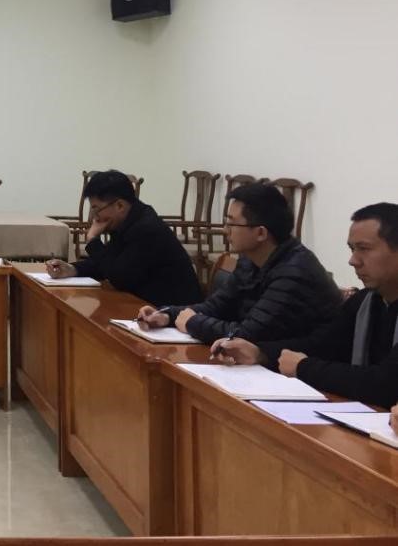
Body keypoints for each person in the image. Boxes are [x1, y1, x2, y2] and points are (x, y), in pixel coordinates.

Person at [213, 203, 398, 406]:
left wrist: (303, 367)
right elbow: (322, 344)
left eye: (364, 249)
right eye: (352, 249)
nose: (353, 260)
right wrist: (260, 353)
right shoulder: (366, 301)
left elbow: (386, 385)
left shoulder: (296, 268)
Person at [135, 183, 341, 344]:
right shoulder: (249, 260)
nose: (225, 231)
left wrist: (192, 322)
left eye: (231, 223)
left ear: (260, 233)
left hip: (302, 374)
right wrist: (167, 315)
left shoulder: (295, 271)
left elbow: (248, 335)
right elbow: (215, 307)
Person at [46, 170, 202, 305]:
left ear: (119, 205)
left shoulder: (146, 228)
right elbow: (109, 261)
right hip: (148, 305)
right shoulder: (129, 220)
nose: (95, 217)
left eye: (97, 209)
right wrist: (72, 269)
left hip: (174, 312)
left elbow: (119, 277)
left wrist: (93, 240)